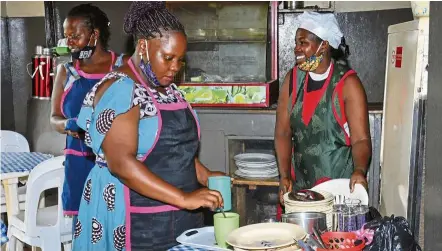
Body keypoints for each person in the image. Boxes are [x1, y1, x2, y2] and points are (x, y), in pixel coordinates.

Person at [72, 2, 224, 250]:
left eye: (180, 60)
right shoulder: (121, 90)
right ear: (143, 46)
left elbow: (173, 149)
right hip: (133, 217)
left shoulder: (167, 89)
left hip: (177, 217)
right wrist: (184, 198)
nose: (175, 68)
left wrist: (205, 176)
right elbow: (121, 163)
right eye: (168, 57)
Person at [275, 11, 372, 205]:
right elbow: (283, 133)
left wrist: (359, 171)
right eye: (296, 43)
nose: (297, 49)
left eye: (303, 43)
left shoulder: (347, 85)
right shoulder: (292, 81)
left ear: (323, 45)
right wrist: (284, 175)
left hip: (338, 192)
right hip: (301, 190)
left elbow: (360, 139)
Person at [50, 4, 127, 223]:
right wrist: (70, 125)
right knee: (83, 229)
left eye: (75, 36)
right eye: (67, 37)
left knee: (115, 226)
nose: (69, 43)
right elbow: (54, 118)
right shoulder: (67, 70)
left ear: (94, 35)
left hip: (116, 164)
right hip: (79, 163)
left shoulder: (122, 66)